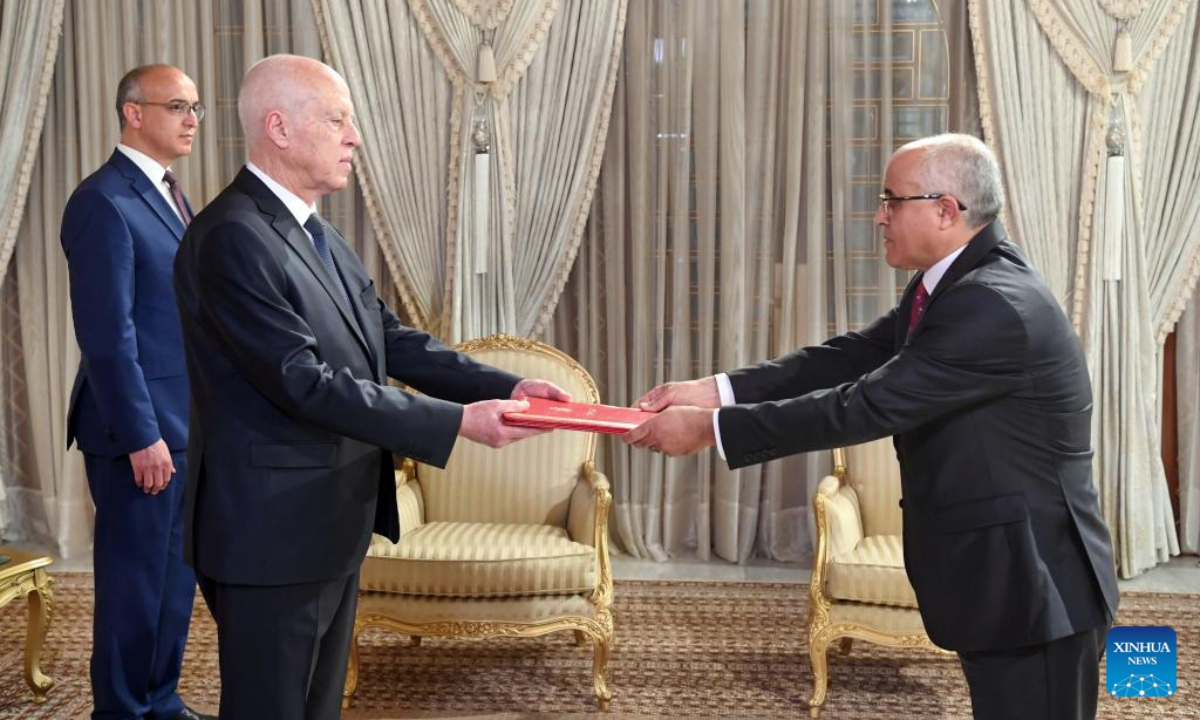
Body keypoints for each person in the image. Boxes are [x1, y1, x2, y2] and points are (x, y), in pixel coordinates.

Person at [624, 133, 1119, 720]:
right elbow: (847, 356)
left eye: (891, 200)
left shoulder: (990, 302)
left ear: (946, 210)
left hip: (1034, 579)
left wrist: (711, 428)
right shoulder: (952, 282)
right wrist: (714, 390)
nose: (878, 215)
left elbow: (863, 405)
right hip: (1003, 570)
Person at [173, 54, 567, 720]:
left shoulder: (315, 231)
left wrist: (512, 384)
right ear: (280, 127)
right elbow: (304, 384)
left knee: (318, 707)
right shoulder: (232, 239)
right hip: (270, 535)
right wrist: (456, 423)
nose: (354, 137)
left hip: (326, 522)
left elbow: (390, 339)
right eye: (338, 120)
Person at [61, 64, 211, 720]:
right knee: (133, 589)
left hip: (185, 428)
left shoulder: (173, 195)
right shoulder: (103, 201)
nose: (192, 120)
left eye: (196, 108)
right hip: (136, 434)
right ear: (133, 112)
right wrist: (142, 435)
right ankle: (122, 711)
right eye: (177, 106)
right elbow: (108, 339)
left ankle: (162, 702)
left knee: (173, 586)